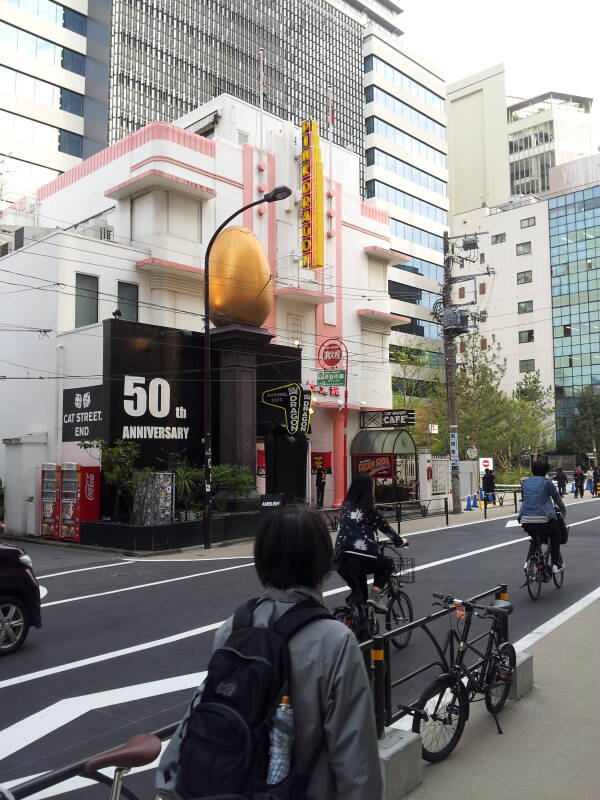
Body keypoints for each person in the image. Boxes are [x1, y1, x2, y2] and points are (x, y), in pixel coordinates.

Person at [156, 506, 383, 800]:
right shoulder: (336, 642)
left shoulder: (233, 628)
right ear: (324, 564)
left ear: (261, 561)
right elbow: (358, 765)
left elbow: (197, 713)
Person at [335, 473, 408, 613]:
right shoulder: (370, 510)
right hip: (361, 556)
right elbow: (387, 529)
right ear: (367, 490)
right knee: (387, 564)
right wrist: (400, 541)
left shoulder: (345, 506)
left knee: (360, 595)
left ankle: (356, 621)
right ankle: (375, 597)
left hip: (341, 558)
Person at [520, 460, 566, 573]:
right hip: (544, 519)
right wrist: (563, 511)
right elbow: (557, 498)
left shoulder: (525, 482)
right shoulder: (547, 482)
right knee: (556, 536)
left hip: (525, 519)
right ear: (545, 471)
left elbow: (525, 498)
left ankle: (527, 563)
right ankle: (555, 564)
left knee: (535, 539)